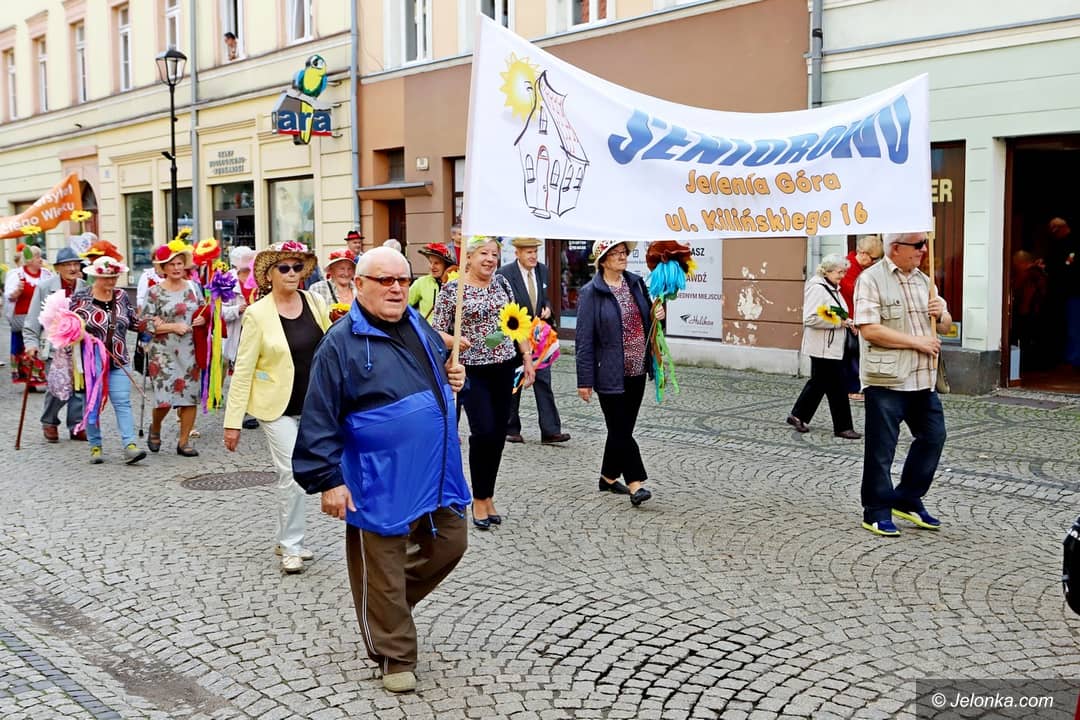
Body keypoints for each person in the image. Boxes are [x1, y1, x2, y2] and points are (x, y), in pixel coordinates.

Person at [292, 247, 470, 694]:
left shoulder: (417, 323)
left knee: (451, 542)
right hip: (378, 476)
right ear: (360, 285)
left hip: (436, 468)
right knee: (384, 562)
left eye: (402, 281)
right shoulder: (340, 343)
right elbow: (319, 415)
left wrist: (452, 377)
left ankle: (384, 606)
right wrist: (328, 480)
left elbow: (431, 373)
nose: (396, 289)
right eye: (385, 281)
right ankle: (395, 655)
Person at [224, 241, 330, 574]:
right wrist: (233, 422)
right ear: (269, 274)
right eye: (284, 268)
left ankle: (285, 538)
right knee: (292, 472)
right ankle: (292, 546)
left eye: (297, 267)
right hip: (275, 406)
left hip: (313, 403)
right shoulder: (257, 313)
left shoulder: (315, 301)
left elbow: (330, 346)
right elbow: (243, 369)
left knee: (303, 472)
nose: (292, 273)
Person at [431, 236, 535, 530]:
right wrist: (454, 340)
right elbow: (436, 332)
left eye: (494, 255)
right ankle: (478, 498)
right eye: (484, 254)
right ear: (469, 257)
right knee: (483, 431)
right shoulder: (453, 290)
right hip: (471, 371)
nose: (490, 259)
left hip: (504, 366)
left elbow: (516, 322)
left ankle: (488, 495)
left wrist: (527, 357)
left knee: (499, 433)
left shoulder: (502, 284)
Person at [854, 231, 951, 537]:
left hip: (923, 379)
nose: (923, 250)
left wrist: (942, 315)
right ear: (895, 248)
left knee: (934, 437)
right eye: (918, 245)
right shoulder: (871, 279)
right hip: (887, 380)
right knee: (881, 449)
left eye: (924, 244)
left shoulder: (924, 281)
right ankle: (876, 510)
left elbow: (945, 325)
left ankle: (907, 498)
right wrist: (916, 342)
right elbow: (869, 329)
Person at [575, 240, 662, 507]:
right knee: (620, 429)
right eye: (616, 253)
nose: (623, 257)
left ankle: (608, 477)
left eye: (624, 252)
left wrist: (658, 314)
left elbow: (648, 321)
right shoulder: (591, 292)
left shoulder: (636, 283)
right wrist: (584, 380)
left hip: (637, 368)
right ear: (603, 260)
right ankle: (636, 484)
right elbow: (584, 340)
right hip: (609, 372)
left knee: (622, 428)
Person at [69, 257, 147, 466]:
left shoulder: (121, 296)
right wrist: (80, 335)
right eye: (107, 278)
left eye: (114, 277)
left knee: (122, 401)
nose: (111, 281)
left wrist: (147, 325)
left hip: (118, 359)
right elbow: (69, 327)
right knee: (92, 404)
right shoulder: (80, 298)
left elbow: (132, 322)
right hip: (91, 362)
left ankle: (130, 445)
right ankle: (95, 445)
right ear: (96, 276)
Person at [497, 237, 570, 445]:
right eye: (528, 252)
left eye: (535, 252)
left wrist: (547, 307)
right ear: (517, 253)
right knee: (514, 382)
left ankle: (550, 430)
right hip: (514, 336)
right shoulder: (505, 274)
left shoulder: (542, 270)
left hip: (538, 339)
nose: (533, 256)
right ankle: (511, 428)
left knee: (544, 381)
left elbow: (545, 296)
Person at [787, 254, 861, 440]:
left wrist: (847, 321)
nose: (842, 275)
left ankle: (798, 416)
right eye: (839, 272)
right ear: (827, 271)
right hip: (822, 347)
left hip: (830, 346)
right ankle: (843, 427)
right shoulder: (818, 288)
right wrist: (839, 323)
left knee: (821, 383)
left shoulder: (832, 288)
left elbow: (831, 311)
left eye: (844, 272)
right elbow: (810, 318)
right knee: (835, 385)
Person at [142, 241, 204, 456]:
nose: (177, 268)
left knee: (190, 395)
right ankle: (155, 426)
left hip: (190, 348)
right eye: (172, 264)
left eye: (179, 263)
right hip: (163, 351)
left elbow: (203, 310)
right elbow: (146, 324)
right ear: (163, 268)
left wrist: (203, 319)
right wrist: (171, 326)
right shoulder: (154, 292)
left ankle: (184, 442)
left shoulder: (193, 287)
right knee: (164, 398)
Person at [23, 247, 89, 442]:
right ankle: (49, 421)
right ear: (58, 268)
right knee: (56, 386)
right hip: (54, 346)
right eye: (67, 265)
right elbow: (32, 319)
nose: (72, 268)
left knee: (79, 386)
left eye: (75, 264)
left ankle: (76, 425)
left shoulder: (85, 287)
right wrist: (31, 343)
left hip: (79, 345)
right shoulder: (45, 287)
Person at [839, 234, 883, 399]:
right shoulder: (847, 268)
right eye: (873, 258)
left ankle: (857, 387)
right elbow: (849, 297)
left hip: (858, 320)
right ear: (863, 253)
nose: (874, 262)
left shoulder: (863, 270)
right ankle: (853, 389)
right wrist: (852, 321)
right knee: (853, 355)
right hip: (850, 321)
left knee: (857, 355)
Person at [6, 245, 53, 380]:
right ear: (29, 260)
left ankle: (39, 377)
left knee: (42, 345)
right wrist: (17, 292)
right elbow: (9, 297)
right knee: (23, 348)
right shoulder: (17, 275)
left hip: (41, 317)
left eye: (40, 256)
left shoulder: (46, 274)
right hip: (22, 318)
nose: (40, 259)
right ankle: (26, 378)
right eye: (37, 257)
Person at [1046, 217, 1080, 369]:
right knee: (1068, 326)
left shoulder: (1072, 243)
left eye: (1054, 231)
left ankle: (1073, 359)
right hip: (1066, 292)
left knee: (1073, 327)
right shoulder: (1062, 244)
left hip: (1073, 291)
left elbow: (1067, 265)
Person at [407, 242, 456, 322]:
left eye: (436, 263)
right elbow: (404, 305)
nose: (432, 267)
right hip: (426, 329)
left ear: (446, 265)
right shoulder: (421, 282)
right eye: (430, 262)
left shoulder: (454, 284)